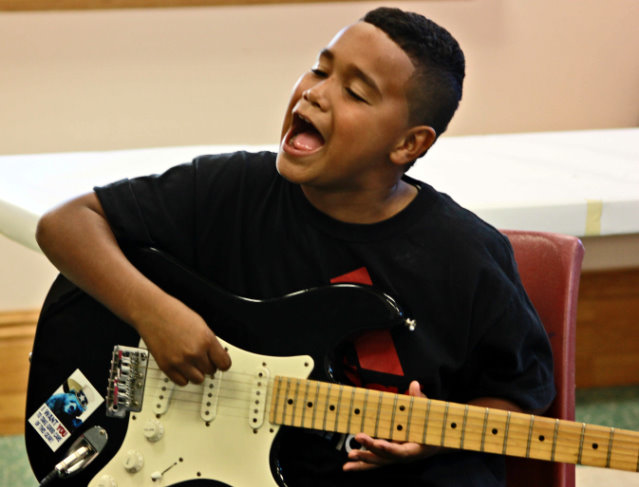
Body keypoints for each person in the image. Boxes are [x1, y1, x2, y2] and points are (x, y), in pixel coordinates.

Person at [36, 7, 554, 486]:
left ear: (408, 144)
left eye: (356, 92)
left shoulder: (464, 256)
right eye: (320, 69)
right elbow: (66, 223)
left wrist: (431, 441)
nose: (316, 93)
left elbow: (519, 399)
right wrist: (154, 314)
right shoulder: (235, 189)